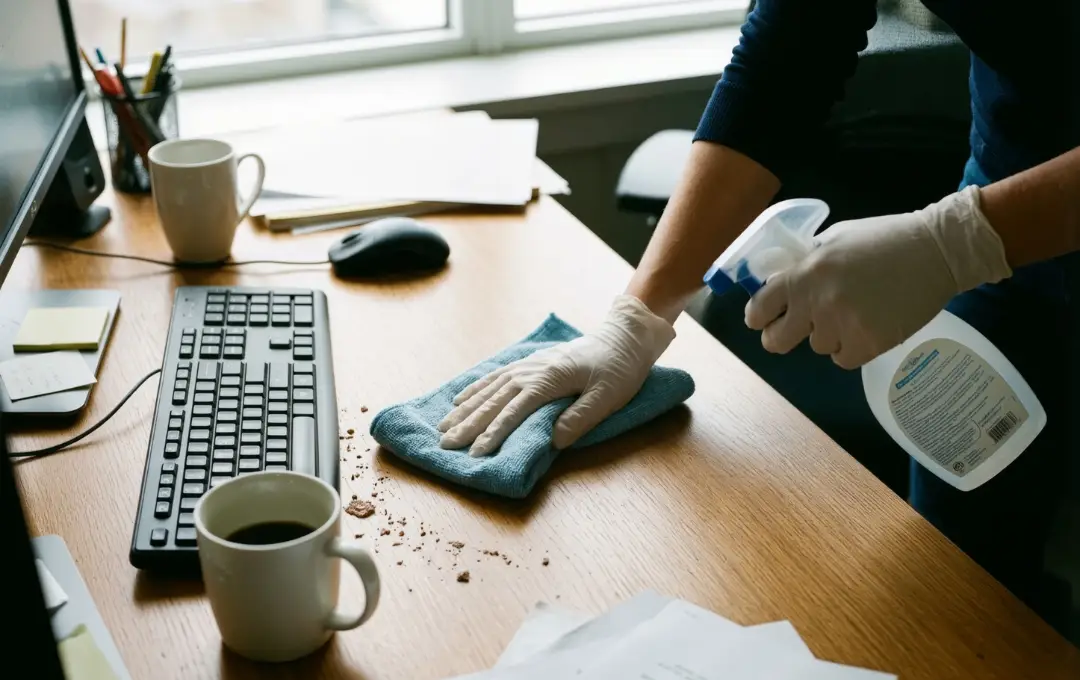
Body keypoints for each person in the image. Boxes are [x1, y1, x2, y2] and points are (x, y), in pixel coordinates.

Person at [439, 1, 1079, 628]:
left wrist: (959, 241)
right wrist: (639, 316)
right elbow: (789, 52)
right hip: (1008, 225)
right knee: (959, 599)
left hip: (1004, 225)